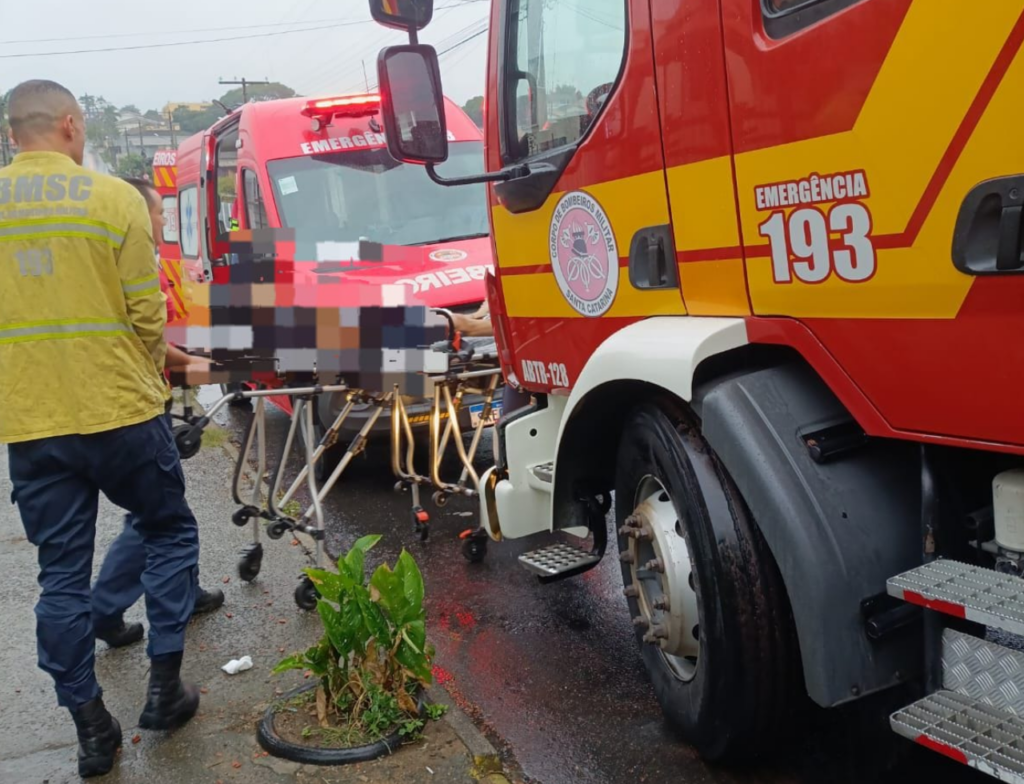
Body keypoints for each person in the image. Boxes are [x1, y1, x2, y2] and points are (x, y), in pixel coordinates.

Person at [0, 80, 200, 779]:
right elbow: (149, 319)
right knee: (169, 527)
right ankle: (165, 689)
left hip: (32, 423)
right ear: (69, 125)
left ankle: (91, 728)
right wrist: (161, 379)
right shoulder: (113, 198)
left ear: (9, 134)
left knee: (59, 581)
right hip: (120, 412)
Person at [89, 178, 225, 652]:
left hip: (136, 398)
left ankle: (180, 592)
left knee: (162, 513)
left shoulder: (139, 258)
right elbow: (145, 338)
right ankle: (106, 608)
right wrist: (195, 366)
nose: (165, 219)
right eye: (159, 211)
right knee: (159, 518)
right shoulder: (127, 255)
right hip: (135, 405)